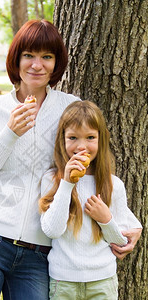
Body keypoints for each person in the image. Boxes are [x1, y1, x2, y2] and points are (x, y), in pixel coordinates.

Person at [0, 20, 141, 300]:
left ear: (56, 63)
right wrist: (9, 134)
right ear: (16, 59)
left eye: (46, 57)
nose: (36, 65)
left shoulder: (69, 106)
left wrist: (131, 223)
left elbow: (93, 169)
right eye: (28, 55)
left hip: (38, 254)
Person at [39, 100, 142, 300]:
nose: (81, 146)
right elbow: (52, 230)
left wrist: (106, 220)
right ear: (62, 140)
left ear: (100, 139)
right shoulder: (52, 180)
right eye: (73, 137)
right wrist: (67, 183)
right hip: (63, 281)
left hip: (102, 281)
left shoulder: (113, 185)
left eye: (90, 137)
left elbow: (120, 242)